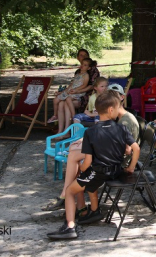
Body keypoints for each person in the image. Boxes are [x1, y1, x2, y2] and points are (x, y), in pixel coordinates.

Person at [46, 91, 140, 240]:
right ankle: (92, 210)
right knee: (87, 179)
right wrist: (131, 168)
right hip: (116, 171)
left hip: (99, 172)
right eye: (117, 108)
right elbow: (136, 148)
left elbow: (88, 162)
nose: (119, 111)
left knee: (71, 190)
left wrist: (83, 170)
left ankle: (69, 226)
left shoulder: (91, 132)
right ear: (111, 110)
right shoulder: (122, 128)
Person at [53, 58, 92, 134]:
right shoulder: (77, 74)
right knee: (61, 103)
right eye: (82, 64)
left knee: (66, 101)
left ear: (89, 68)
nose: (82, 66)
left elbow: (85, 85)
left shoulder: (86, 75)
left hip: (78, 95)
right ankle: (61, 130)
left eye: (85, 65)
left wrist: (76, 90)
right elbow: (71, 85)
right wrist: (62, 92)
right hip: (71, 92)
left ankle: (72, 120)